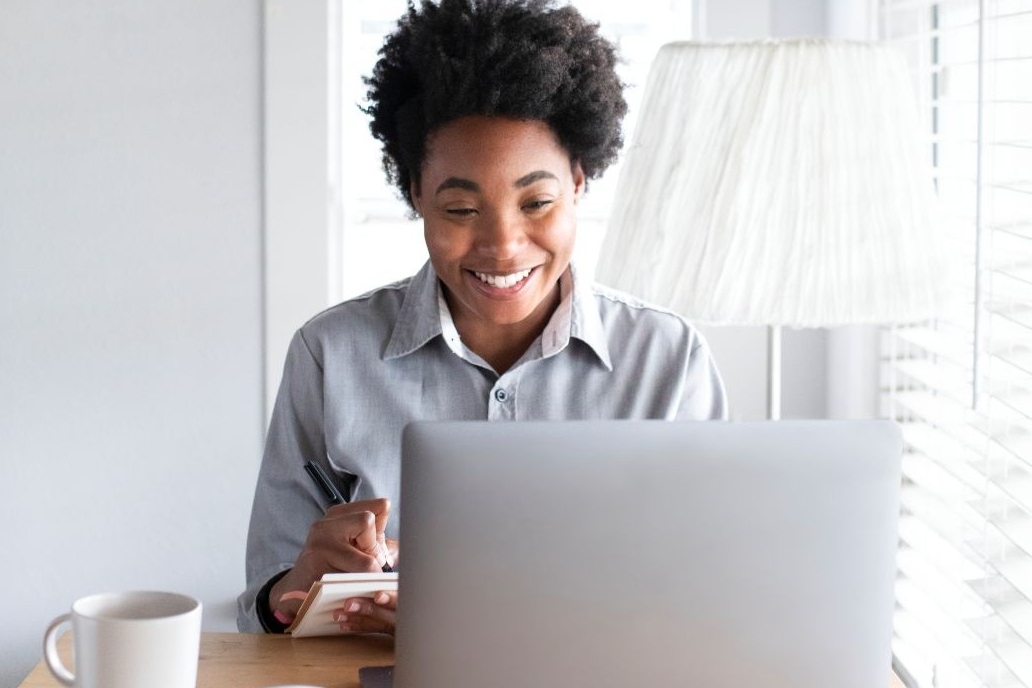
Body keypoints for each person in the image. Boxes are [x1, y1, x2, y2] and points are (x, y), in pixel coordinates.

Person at [238, 0, 727, 636]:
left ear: (579, 181)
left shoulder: (668, 360)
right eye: (462, 210)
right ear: (416, 192)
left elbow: (711, 588)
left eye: (538, 202)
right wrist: (297, 587)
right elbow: (264, 607)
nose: (502, 246)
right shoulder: (330, 355)